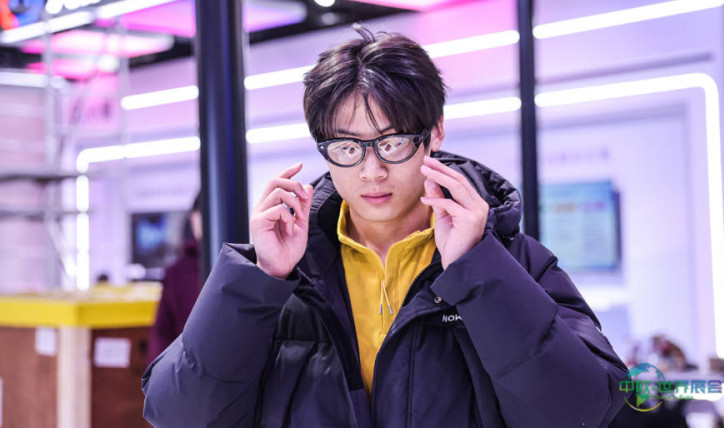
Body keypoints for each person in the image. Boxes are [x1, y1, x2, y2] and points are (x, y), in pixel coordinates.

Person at [142, 26, 629, 427]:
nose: (371, 171)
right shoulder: (283, 272)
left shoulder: (512, 260)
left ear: (434, 133)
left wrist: (478, 268)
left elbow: (584, 410)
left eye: (392, 143)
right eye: (347, 147)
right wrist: (258, 281)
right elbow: (178, 415)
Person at [145, 193, 202, 364]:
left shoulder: (246, 265)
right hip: (187, 371)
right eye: (200, 213)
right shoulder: (176, 273)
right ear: (192, 219)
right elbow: (162, 334)